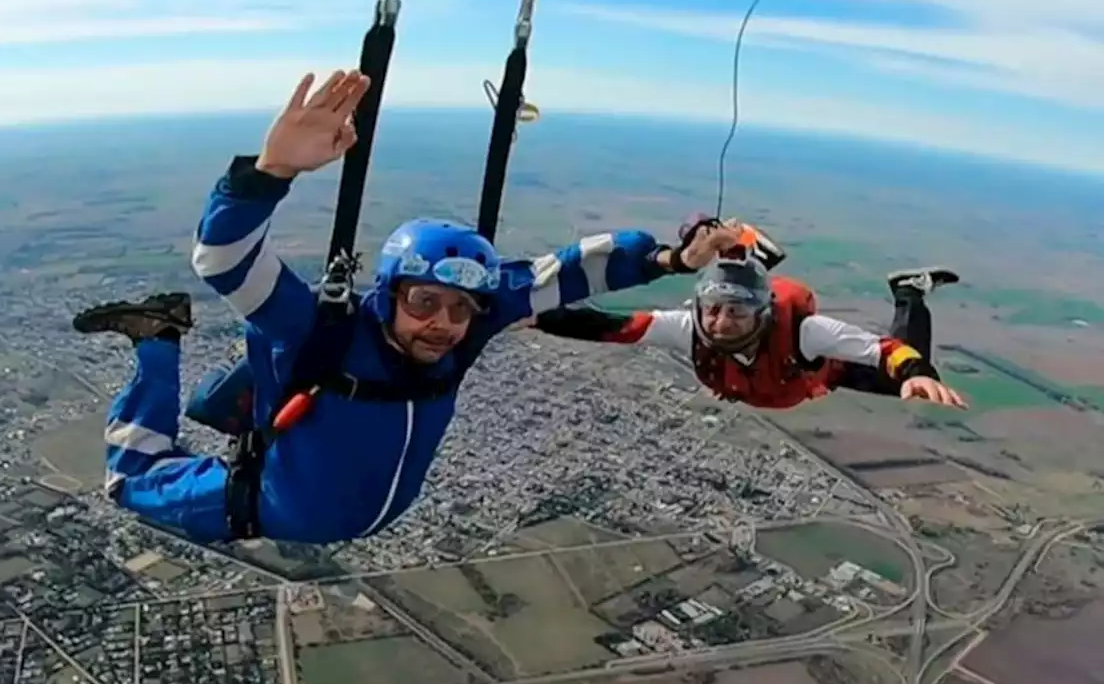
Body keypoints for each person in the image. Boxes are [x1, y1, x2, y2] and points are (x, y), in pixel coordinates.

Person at [72, 69, 740, 546]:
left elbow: (564, 272)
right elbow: (223, 260)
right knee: (130, 481)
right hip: (267, 507)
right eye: (424, 302)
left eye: (460, 308)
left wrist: (669, 261)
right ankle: (157, 338)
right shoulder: (320, 327)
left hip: (333, 513)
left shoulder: (467, 331)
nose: (443, 324)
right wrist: (269, 172)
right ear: (387, 294)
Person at [533, 221, 968, 410]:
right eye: (714, 310)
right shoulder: (690, 327)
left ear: (762, 314)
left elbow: (882, 349)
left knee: (905, 387)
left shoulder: (807, 333)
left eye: (737, 313)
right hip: (787, 381)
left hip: (822, 372)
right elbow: (612, 327)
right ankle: (747, 251)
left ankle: (909, 293)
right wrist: (535, 316)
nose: (720, 323)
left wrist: (916, 370)